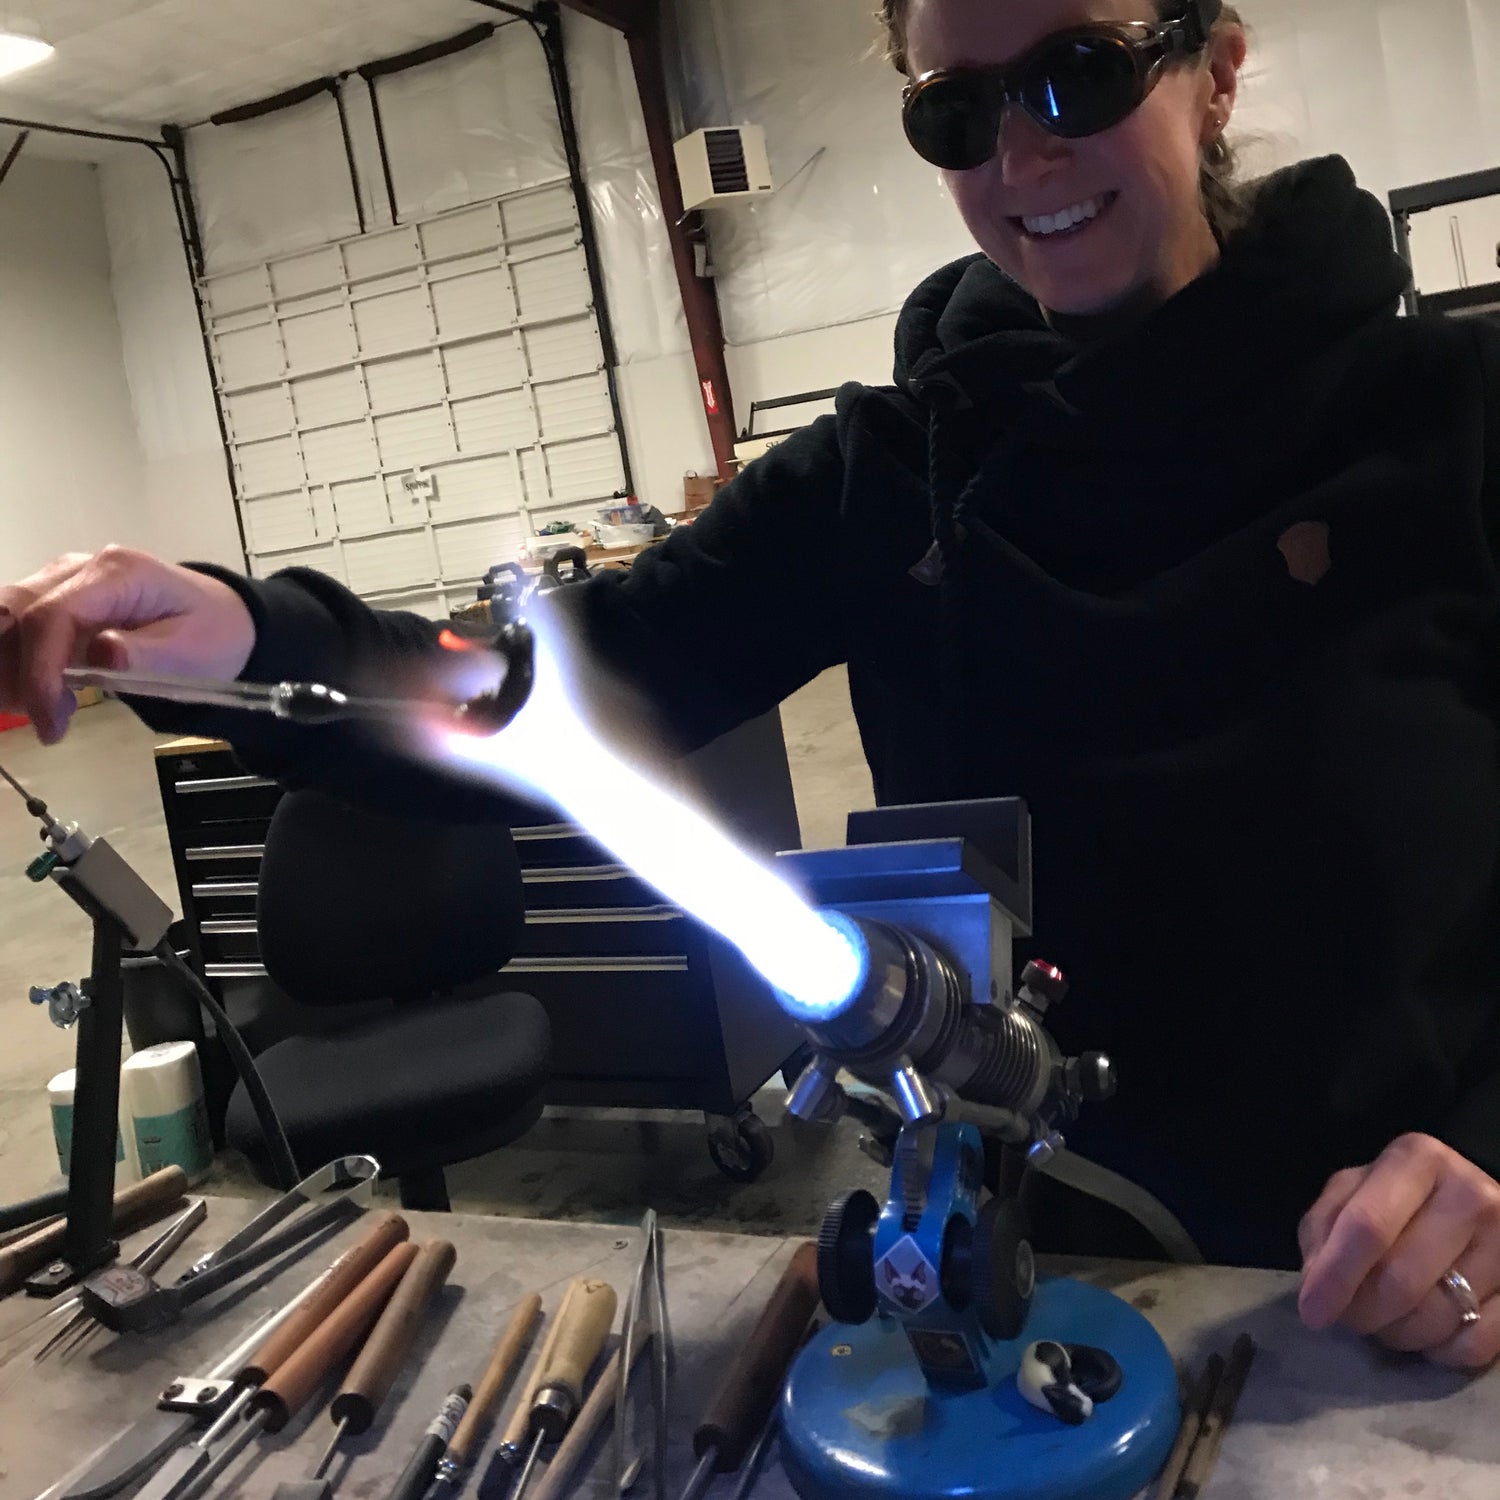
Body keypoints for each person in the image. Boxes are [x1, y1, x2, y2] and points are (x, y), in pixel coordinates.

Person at [3, 0, 1499, 1371]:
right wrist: (244, 643)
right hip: (1037, 1286)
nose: (1022, 149)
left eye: (1080, 72)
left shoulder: (1444, 427)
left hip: (1398, 1296)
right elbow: (546, 693)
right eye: (955, 112)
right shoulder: (889, 478)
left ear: (1215, 67)